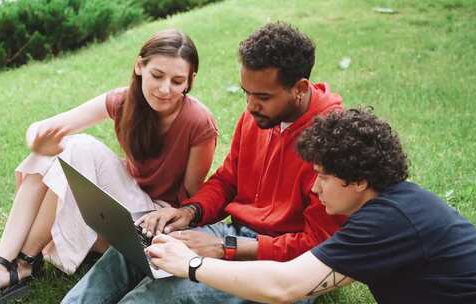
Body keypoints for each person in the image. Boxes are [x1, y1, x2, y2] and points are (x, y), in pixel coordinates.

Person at [61, 21, 347, 303]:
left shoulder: (333, 141)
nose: (249, 107)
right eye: (246, 93)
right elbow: (228, 180)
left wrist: (226, 249)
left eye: (262, 97)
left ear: (299, 88)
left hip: (283, 268)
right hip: (234, 235)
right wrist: (188, 213)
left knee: (153, 298)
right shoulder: (261, 115)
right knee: (135, 245)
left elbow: (320, 246)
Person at [148, 108, 476, 304]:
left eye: (322, 176)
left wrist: (192, 265)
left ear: (359, 181)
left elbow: (284, 286)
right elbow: (302, 275)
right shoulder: (387, 209)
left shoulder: (387, 220)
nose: (315, 187)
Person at [0, 29, 218, 304]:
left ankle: (23, 264)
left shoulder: (198, 122)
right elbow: (44, 128)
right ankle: (1, 263)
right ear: (139, 66)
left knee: (78, 147)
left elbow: (194, 198)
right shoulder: (124, 100)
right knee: (61, 149)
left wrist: (181, 214)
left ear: (190, 82)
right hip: (119, 210)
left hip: (154, 226)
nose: (165, 88)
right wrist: (39, 144)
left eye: (177, 80)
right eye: (157, 75)